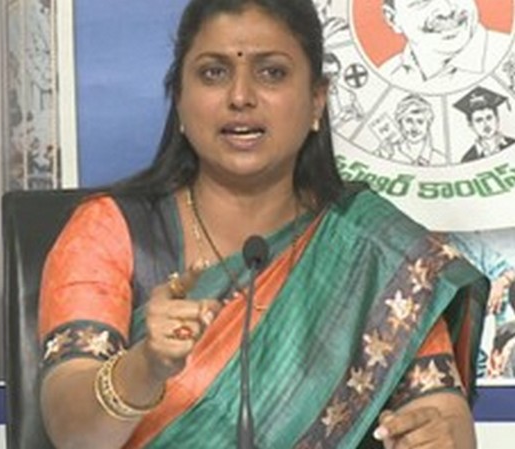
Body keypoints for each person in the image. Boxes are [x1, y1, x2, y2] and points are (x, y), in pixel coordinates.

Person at [38, 1, 488, 448]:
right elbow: (72, 435)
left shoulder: (371, 250)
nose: (240, 96)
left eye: (272, 72)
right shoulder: (110, 231)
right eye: (214, 73)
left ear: (317, 100)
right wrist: (146, 365)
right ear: (179, 99)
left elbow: (445, 418)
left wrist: (438, 434)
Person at [380, 0, 511, 93]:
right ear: (393, 19)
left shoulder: (508, 55)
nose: (446, 10)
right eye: (422, 1)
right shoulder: (387, 75)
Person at [374, 94, 446, 166]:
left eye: (420, 122)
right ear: (399, 123)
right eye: (409, 121)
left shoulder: (440, 160)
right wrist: (381, 156)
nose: (414, 128)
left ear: (428, 125)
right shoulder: (387, 152)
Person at [453, 86, 515, 163]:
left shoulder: (512, 144)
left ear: (497, 119)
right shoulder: (468, 159)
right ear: (471, 125)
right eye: (479, 120)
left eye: (489, 118)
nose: (486, 124)